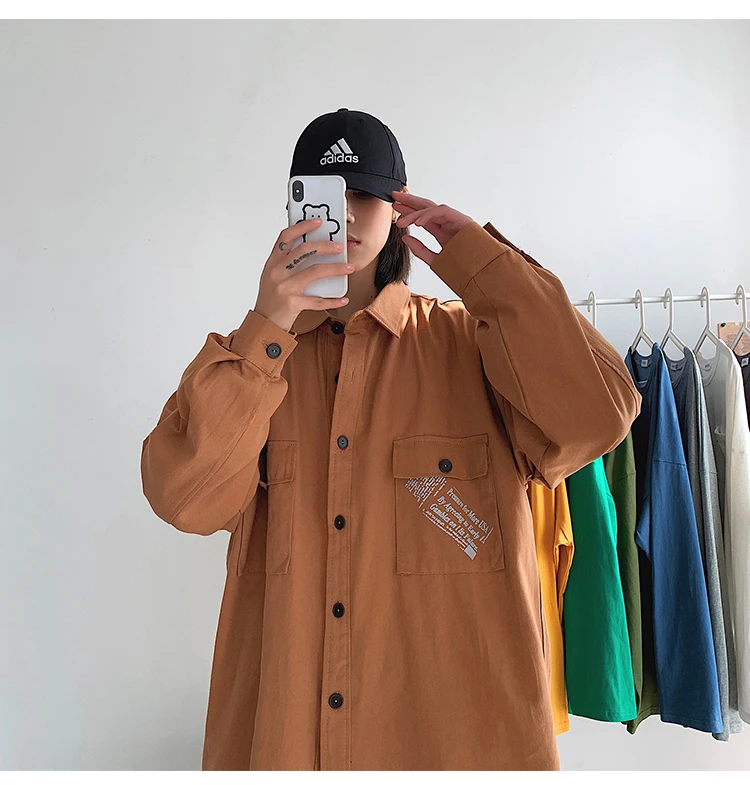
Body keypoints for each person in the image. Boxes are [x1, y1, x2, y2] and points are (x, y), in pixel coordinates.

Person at [140, 108, 642, 771]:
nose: (346, 214)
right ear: (293, 208)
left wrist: (484, 266)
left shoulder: (474, 346)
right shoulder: (255, 365)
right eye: (327, 195)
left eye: (365, 194)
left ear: (398, 207)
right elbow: (183, 497)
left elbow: (601, 414)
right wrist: (269, 322)